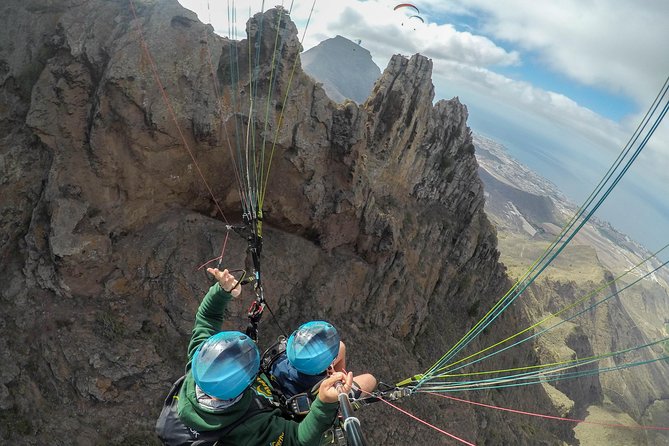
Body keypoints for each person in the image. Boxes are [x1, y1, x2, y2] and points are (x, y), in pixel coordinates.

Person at [156, 267, 354, 446]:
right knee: (368, 381)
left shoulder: (198, 369)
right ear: (244, 385)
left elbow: (206, 320)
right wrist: (324, 403)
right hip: (286, 405)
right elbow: (297, 439)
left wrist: (221, 291)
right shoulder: (249, 428)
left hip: (276, 395)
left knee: (345, 355)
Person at [268, 321, 377, 401]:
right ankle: (340, 384)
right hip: (311, 392)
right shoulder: (320, 390)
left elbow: (340, 347)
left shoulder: (280, 360)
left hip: (283, 383)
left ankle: (338, 376)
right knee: (370, 379)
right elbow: (370, 380)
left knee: (341, 347)